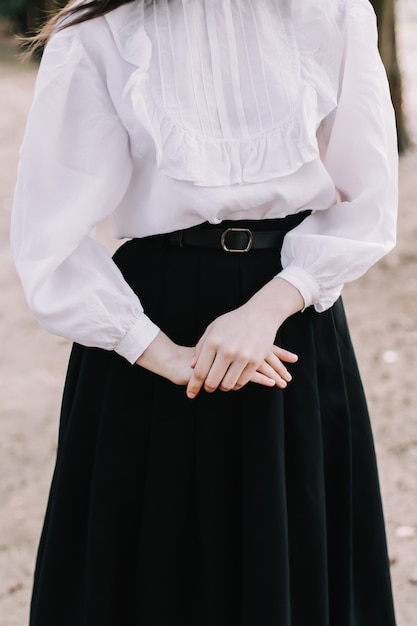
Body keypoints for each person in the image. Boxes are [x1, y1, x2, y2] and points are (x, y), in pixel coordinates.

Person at [11, 0, 398, 624]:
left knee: (294, 562)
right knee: (153, 576)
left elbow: (369, 200)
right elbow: (47, 234)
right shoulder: (98, 28)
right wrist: (161, 352)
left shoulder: (331, 11)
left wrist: (265, 311)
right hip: (149, 335)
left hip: (290, 317)